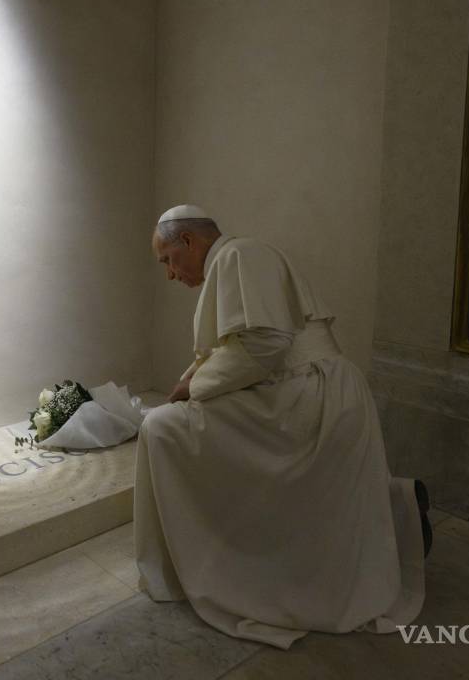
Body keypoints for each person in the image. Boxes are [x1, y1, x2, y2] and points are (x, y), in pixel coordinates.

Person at [134, 204, 429, 649]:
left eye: (167, 260)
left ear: (188, 241)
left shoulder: (238, 255)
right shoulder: (237, 258)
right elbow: (234, 349)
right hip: (307, 391)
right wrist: (192, 380)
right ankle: (401, 510)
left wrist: (194, 388)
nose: (170, 274)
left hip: (309, 395)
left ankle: (207, 565)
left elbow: (265, 343)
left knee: (163, 429)